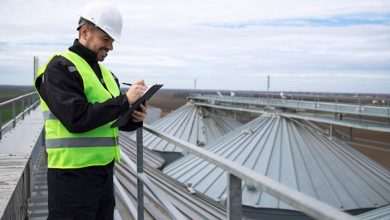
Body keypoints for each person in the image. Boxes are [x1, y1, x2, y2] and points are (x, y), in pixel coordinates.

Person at [34, 2, 147, 219]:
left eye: (112, 41)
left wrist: (134, 116)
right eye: (106, 40)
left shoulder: (107, 74)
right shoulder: (59, 68)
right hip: (71, 179)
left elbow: (111, 120)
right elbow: (76, 118)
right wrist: (124, 101)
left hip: (104, 174)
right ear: (85, 32)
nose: (111, 47)